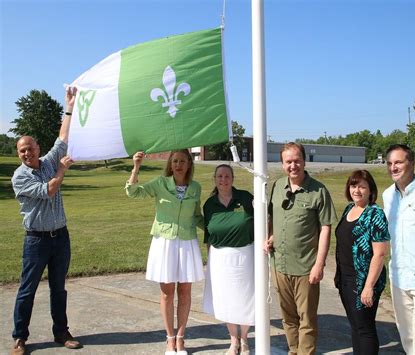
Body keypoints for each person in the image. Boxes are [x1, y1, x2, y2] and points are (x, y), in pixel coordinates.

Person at [10, 87, 81, 355]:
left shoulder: (49, 161)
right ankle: (20, 338)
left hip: (60, 236)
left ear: (38, 147)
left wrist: (69, 106)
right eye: (21, 151)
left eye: (29, 148)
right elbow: (49, 189)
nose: (26, 153)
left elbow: (63, 137)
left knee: (58, 289)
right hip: (36, 240)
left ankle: (61, 332)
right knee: (27, 290)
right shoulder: (20, 176)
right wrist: (62, 170)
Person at [125, 149, 204, 355]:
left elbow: (197, 216)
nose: (178, 164)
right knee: (167, 293)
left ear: (189, 164)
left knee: (185, 292)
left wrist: (221, 228)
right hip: (165, 243)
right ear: (170, 164)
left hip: (187, 242)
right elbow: (133, 192)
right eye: (175, 161)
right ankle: (169, 339)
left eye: (182, 161)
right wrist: (136, 167)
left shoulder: (196, 187)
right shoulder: (160, 183)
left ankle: (181, 338)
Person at [264, 142, 337, 355]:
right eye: (288, 162)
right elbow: (271, 218)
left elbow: (325, 228)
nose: (293, 165)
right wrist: (269, 235)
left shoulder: (318, 190)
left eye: (297, 161)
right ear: (282, 164)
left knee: (307, 319)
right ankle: (293, 351)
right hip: (280, 265)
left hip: (306, 267)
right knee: (288, 318)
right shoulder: (277, 187)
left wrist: (319, 265)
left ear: (304, 161)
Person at [382, 144, 415, 354]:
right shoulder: (388, 195)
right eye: (389, 163)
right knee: (408, 338)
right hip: (398, 278)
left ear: (411, 163)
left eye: (398, 162)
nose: (393, 167)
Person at [334, 170, 390, 354]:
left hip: (364, 281)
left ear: (370, 190)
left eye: (362, 186)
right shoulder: (349, 209)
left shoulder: (375, 214)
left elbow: (380, 254)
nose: (357, 190)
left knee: (365, 328)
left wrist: (369, 286)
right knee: (355, 326)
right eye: (353, 185)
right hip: (345, 278)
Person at [202, 164, 254, 355]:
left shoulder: (246, 198)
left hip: (245, 255)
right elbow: (208, 235)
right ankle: (233, 340)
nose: (223, 180)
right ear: (215, 179)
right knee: (227, 299)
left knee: (246, 298)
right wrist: (209, 262)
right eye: (219, 176)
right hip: (220, 258)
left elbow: (264, 217)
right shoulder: (209, 204)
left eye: (227, 176)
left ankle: (245, 339)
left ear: (233, 178)